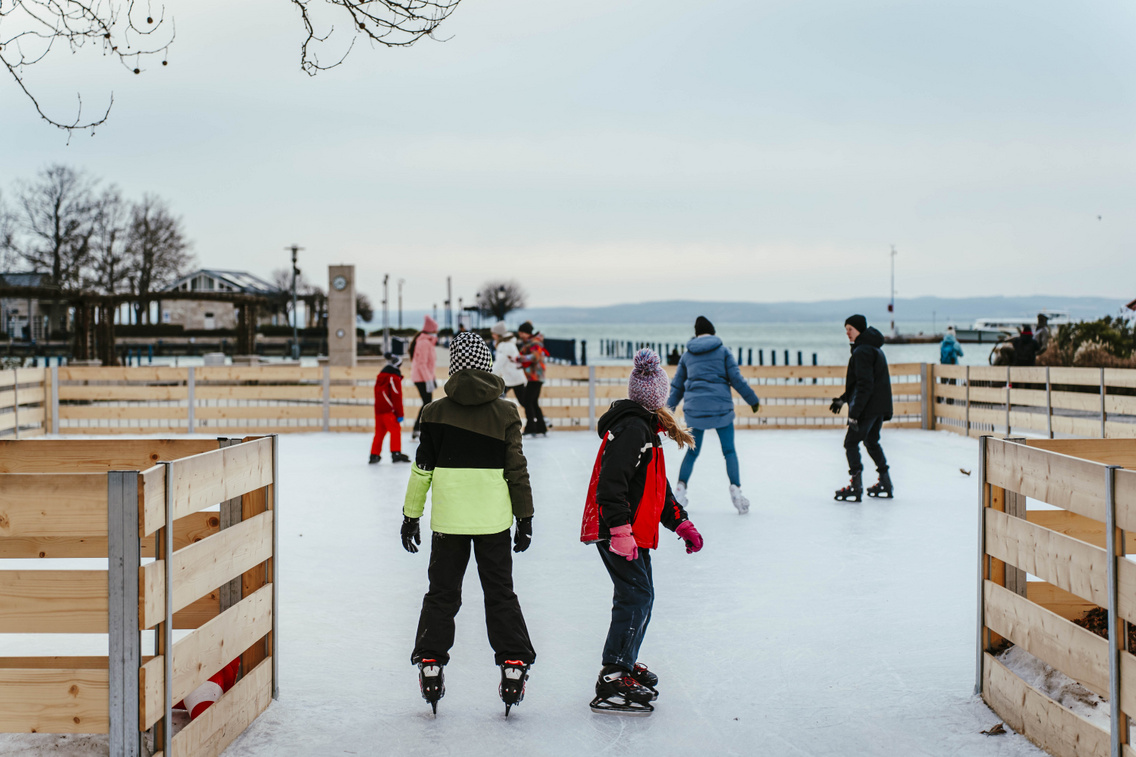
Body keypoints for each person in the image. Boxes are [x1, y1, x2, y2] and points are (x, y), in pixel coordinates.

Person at [401, 331, 537, 716]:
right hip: (493, 521)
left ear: (455, 365)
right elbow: (517, 471)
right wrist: (524, 517)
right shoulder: (507, 412)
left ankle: (430, 660)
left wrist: (411, 515)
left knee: (442, 594)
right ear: (488, 364)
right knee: (500, 593)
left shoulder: (434, 412)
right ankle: (512, 665)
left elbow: (422, 470)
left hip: (449, 523)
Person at [580, 349, 703, 716]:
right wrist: (619, 530)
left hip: (632, 531)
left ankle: (624, 661)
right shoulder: (633, 429)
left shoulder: (646, 429)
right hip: (618, 530)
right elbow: (611, 484)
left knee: (640, 595)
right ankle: (614, 672)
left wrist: (680, 522)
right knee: (635, 596)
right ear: (658, 396)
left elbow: (657, 490)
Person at [665, 316, 761, 514]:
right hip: (721, 409)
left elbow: (677, 387)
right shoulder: (724, 351)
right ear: (713, 332)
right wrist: (753, 400)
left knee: (692, 452)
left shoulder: (687, 356)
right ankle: (736, 490)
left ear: (696, 333)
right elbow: (736, 379)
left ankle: (680, 491)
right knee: (729, 452)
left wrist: (667, 411)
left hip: (695, 411)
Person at [830, 315, 894, 501]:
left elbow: (865, 385)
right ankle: (885, 481)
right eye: (846, 330)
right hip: (878, 407)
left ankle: (855, 485)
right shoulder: (873, 349)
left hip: (867, 408)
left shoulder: (862, 351)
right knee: (871, 442)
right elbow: (862, 384)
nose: (847, 333)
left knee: (851, 443)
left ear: (859, 329)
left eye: (850, 329)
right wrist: (843, 400)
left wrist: (855, 414)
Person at [370, 353, 410, 464]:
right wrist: (400, 414)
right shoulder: (393, 378)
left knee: (379, 432)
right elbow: (396, 396)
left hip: (379, 410)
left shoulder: (381, 377)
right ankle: (396, 453)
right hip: (389, 411)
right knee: (395, 430)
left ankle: (374, 454)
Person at [515, 321, 549, 436]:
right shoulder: (530, 343)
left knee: (528, 401)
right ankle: (541, 427)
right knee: (533, 402)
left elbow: (535, 357)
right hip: (534, 377)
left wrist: (520, 358)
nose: (520, 335)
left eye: (521, 333)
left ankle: (531, 428)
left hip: (536, 377)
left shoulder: (535, 343)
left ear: (526, 333)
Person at [409, 315, 439, 440]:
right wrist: (428, 380)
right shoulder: (423, 343)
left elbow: (430, 364)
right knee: (427, 404)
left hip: (425, 378)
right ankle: (419, 429)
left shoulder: (427, 342)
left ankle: (419, 428)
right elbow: (422, 364)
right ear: (431, 330)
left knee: (427, 404)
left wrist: (433, 378)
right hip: (421, 378)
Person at [490, 321, 526, 402]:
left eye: (494, 333)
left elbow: (499, 363)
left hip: (513, 378)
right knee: (497, 398)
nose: (492, 335)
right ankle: (536, 414)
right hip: (510, 378)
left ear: (498, 334)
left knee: (525, 402)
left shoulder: (505, 346)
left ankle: (537, 415)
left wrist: (488, 374)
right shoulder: (505, 344)